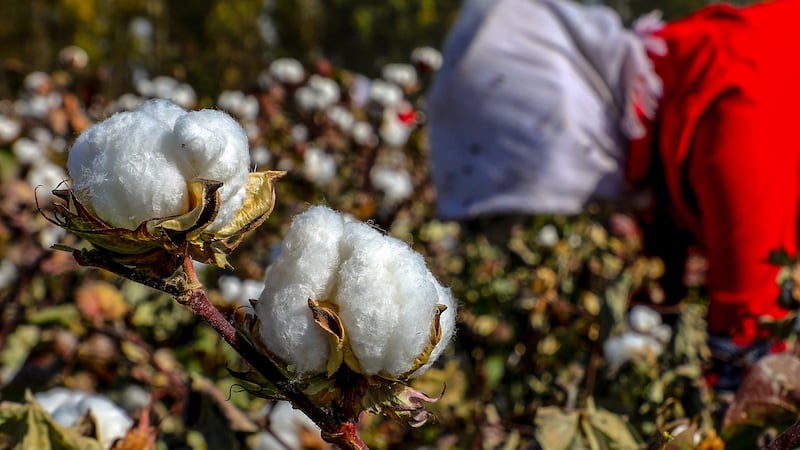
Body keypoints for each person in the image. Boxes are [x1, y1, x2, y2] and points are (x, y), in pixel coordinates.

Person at [426, 0, 800, 387]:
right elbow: (661, 286)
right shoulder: (665, 94)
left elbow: (750, 343)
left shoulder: (730, 110)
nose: (595, 209)